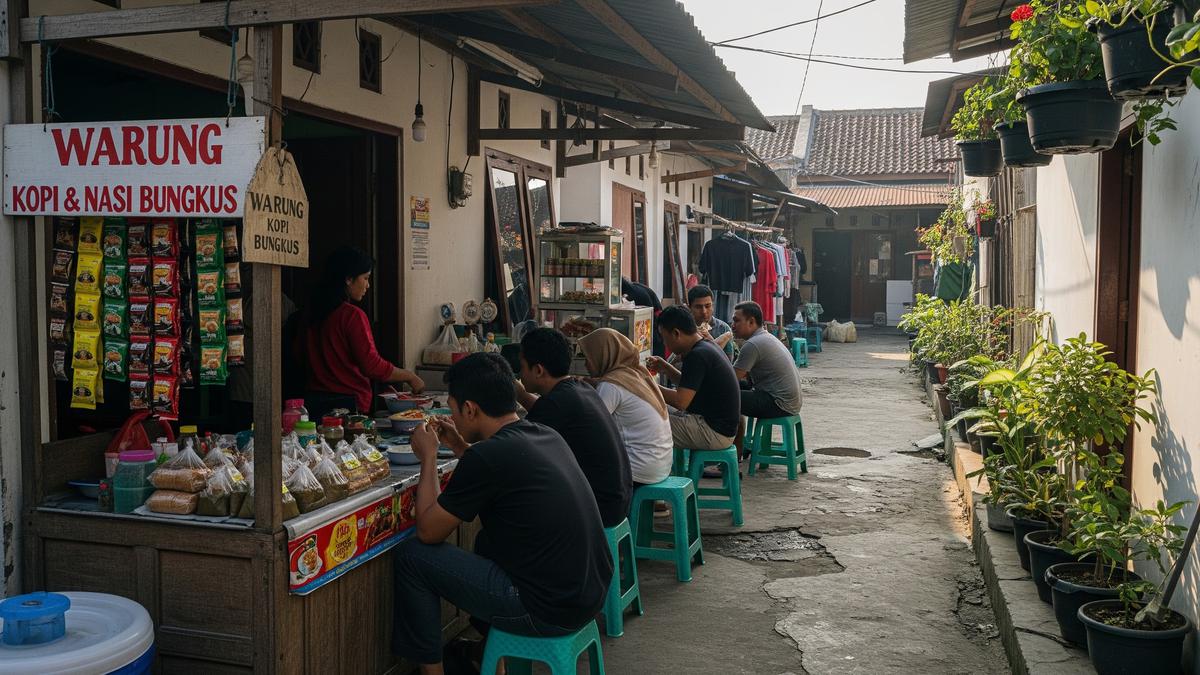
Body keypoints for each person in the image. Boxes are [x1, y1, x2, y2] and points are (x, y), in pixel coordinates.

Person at [392, 354, 612, 674]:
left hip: (547, 610)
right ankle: (493, 658)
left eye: (453, 410)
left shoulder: (488, 456)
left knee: (413, 557)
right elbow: (499, 470)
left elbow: (429, 531)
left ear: (470, 409)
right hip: (588, 597)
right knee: (487, 543)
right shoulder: (544, 434)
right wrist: (459, 447)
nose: (453, 417)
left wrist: (427, 457)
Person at [515, 328, 633, 527]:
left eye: (522, 367)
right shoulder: (581, 389)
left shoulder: (555, 404)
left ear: (538, 370)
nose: (520, 374)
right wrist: (521, 394)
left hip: (600, 509)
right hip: (617, 501)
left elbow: (516, 447)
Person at [299, 246, 424, 413]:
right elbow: (371, 365)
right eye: (365, 278)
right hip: (347, 406)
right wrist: (410, 376)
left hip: (313, 402)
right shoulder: (352, 316)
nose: (368, 285)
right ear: (348, 279)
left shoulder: (310, 313)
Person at [578, 328, 673, 488]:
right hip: (660, 466)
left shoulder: (612, 384)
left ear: (603, 355)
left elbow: (591, 425)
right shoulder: (637, 373)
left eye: (588, 357)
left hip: (638, 470)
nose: (586, 364)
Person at [647, 305, 741, 451]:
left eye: (665, 338)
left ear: (676, 333)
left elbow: (681, 401)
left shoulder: (697, 355)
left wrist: (645, 384)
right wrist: (665, 367)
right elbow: (689, 386)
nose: (665, 344)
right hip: (718, 426)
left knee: (644, 422)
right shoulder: (705, 345)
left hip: (714, 432)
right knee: (653, 410)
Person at [732, 301, 804, 422]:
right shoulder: (765, 337)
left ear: (751, 321)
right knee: (732, 390)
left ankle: (719, 439)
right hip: (790, 403)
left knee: (721, 396)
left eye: (736, 321)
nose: (733, 325)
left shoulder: (753, 344)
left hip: (779, 404)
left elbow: (731, 378)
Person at [685, 284, 737, 360]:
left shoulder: (723, 328)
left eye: (707, 306)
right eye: (698, 307)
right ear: (689, 307)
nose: (704, 311)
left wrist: (711, 341)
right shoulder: (684, 328)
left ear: (713, 305)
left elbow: (728, 361)